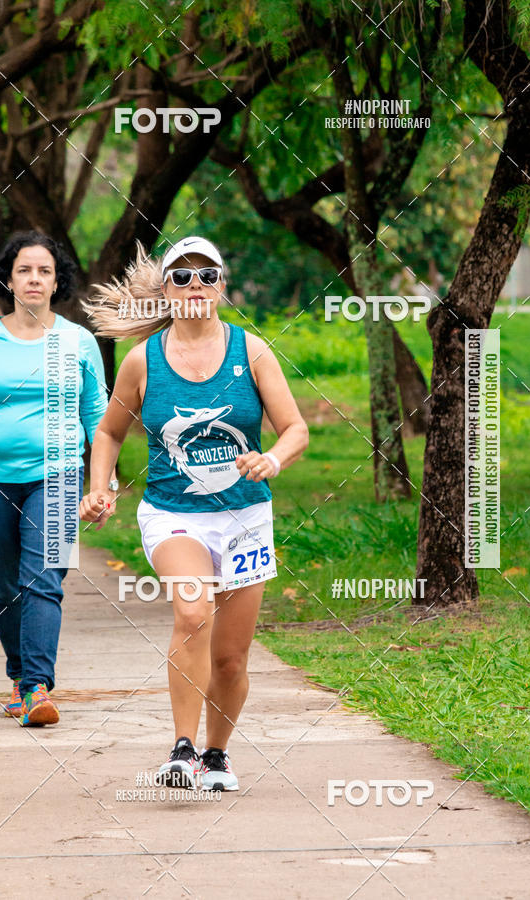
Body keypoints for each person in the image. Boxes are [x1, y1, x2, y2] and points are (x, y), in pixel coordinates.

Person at [80, 236, 308, 790]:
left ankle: (215, 755)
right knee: (192, 611)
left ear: (222, 285)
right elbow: (110, 431)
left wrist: (272, 460)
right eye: (181, 277)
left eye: (207, 274)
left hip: (245, 518)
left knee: (230, 659)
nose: (195, 285)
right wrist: (102, 486)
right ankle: (181, 750)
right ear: (166, 290)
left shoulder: (251, 352)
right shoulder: (144, 360)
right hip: (172, 514)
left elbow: (295, 429)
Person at [0, 231, 113, 726]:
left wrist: (103, 484)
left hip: (57, 475)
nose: (34, 279)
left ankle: (36, 687)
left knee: (44, 578)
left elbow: (100, 417)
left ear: (58, 282)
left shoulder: (78, 341)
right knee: (4, 579)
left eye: (45, 271)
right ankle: (19, 677)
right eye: (25, 270)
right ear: (8, 279)